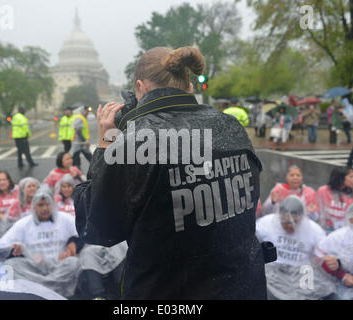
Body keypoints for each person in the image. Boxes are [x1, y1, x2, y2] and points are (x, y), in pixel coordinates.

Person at [73, 46, 268, 299]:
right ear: (189, 86)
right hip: (244, 287)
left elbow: (96, 226)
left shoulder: (134, 142)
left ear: (141, 87)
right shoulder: (230, 125)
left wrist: (106, 144)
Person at [0, 186, 83, 298]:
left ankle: (39, 291)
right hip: (34, 267)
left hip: (59, 265)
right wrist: (15, 249)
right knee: (11, 265)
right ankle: (55, 290)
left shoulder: (65, 219)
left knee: (74, 262)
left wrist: (73, 244)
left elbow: (83, 234)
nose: (45, 208)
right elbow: (0, 247)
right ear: (34, 207)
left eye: (48, 204)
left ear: (53, 205)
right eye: (40, 205)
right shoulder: (23, 223)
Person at [256, 196, 334, 300]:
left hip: (301, 272)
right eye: (286, 222)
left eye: (295, 222)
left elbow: (324, 254)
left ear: (302, 217)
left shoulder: (314, 230)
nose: (290, 226)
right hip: (273, 272)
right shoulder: (266, 223)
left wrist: (330, 260)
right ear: (279, 216)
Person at [317, 167, 353, 233]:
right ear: (341, 178)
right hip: (325, 228)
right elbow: (317, 210)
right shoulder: (323, 191)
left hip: (346, 231)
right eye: (351, 177)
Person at [71, 105, 93, 170]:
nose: (87, 113)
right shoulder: (80, 118)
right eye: (86, 111)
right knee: (78, 159)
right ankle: (77, 173)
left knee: (78, 158)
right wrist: (85, 141)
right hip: (80, 142)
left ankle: (77, 171)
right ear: (83, 111)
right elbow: (78, 131)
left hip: (79, 142)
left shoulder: (80, 117)